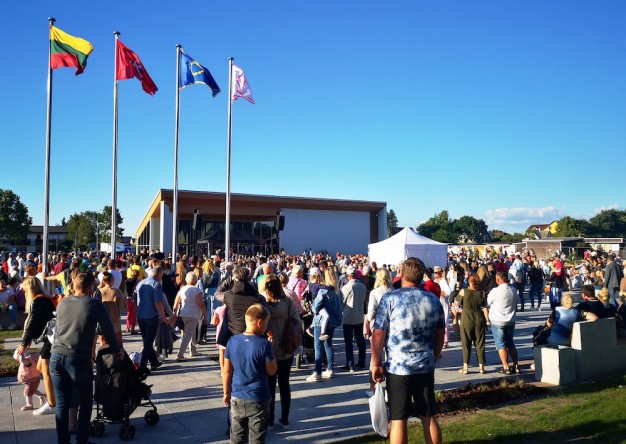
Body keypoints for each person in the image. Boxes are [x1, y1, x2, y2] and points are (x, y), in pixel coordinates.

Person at [371, 257, 445, 444]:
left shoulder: (391, 298)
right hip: (424, 365)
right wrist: (433, 357)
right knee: (428, 416)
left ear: (401, 274)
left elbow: (378, 334)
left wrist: (376, 363)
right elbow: (440, 333)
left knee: (398, 420)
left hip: (398, 367)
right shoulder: (433, 299)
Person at [49, 272, 122, 444]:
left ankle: (63, 441)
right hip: (78, 358)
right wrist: (116, 349)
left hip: (56, 356)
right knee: (85, 401)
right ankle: (82, 440)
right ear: (90, 287)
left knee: (62, 403)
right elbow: (108, 329)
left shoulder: (63, 302)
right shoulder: (94, 303)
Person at [223, 304, 277, 444]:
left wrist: (226, 393)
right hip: (258, 397)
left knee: (237, 437)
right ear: (259, 322)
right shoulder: (264, 344)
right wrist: (270, 351)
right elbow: (271, 371)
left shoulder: (232, 341)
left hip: (237, 396)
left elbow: (226, 371)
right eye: (266, 323)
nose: (266, 327)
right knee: (257, 438)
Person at [263, 274, 301, 429]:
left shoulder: (263, 307)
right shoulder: (288, 303)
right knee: (284, 385)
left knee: (269, 386)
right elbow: (297, 322)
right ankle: (285, 418)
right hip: (286, 348)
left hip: (269, 350)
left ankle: (270, 419)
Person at [19, 276, 56, 416]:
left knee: (45, 370)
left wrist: (23, 343)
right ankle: (57, 396)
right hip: (52, 337)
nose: (24, 293)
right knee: (41, 367)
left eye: (24, 290)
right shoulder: (44, 299)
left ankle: (52, 404)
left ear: (29, 289)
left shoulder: (37, 301)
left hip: (51, 339)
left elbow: (32, 323)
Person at [306, 268, 342, 382]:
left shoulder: (323, 290)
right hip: (333, 320)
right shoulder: (338, 292)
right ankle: (330, 369)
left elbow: (315, 307)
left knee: (318, 346)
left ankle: (317, 372)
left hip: (320, 321)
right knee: (328, 344)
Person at [135, 266, 171, 371]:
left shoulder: (140, 283)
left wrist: (136, 314)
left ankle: (154, 362)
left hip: (141, 315)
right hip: (151, 316)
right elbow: (158, 302)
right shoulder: (156, 284)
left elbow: (135, 300)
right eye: (162, 275)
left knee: (146, 340)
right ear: (159, 274)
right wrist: (164, 317)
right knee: (148, 342)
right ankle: (142, 365)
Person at [364, 267, 392, 397]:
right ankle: (390, 388)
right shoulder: (394, 291)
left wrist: (367, 319)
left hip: (378, 327)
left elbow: (370, 314)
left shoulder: (374, 293)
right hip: (392, 327)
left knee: (375, 358)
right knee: (391, 357)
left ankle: (373, 388)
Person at [487, 271, 519, 375]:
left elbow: (488, 302)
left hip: (498, 320)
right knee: (510, 343)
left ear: (498, 279)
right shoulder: (513, 289)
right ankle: (516, 365)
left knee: (501, 344)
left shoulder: (495, 291)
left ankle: (506, 367)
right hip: (510, 319)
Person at [172, 272, 208, 361]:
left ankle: (193, 350)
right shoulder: (197, 290)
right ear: (196, 280)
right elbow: (201, 304)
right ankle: (180, 353)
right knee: (189, 333)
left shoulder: (182, 289)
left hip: (183, 313)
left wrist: (174, 314)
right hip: (194, 314)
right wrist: (205, 315)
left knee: (191, 332)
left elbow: (176, 303)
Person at [456, 274, 487, 374]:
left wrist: (456, 317)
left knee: (466, 342)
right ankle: (481, 367)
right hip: (479, 317)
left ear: (469, 281)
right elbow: (485, 306)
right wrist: (487, 319)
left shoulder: (463, 291)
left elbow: (456, 304)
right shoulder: (482, 292)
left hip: (466, 317)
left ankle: (465, 367)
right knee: (480, 342)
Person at [339, 265, 367, 372]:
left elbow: (342, 302)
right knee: (360, 340)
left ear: (348, 276)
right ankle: (362, 361)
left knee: (348, 342)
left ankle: (350, 364)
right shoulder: (363, 286)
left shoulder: (346, 287)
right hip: (359, 316)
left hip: (348, 317)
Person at [98, 271, 125, 347]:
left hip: (102, 320)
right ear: (112, 280)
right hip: (115, 319)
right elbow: (122, 307)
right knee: (118, 342)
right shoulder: (117, 292)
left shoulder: (99, 291)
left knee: (103, 343)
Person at [433, 266, 451, 348]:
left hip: (443, 303)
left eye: (436, 272)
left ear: (440, 273)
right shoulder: (434, 281)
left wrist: (439, 292)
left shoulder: (443, 281)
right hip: (436, 303)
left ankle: (445, 340)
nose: (435, 274)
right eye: (434, 272)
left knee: (445, 320)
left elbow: (448, 292)